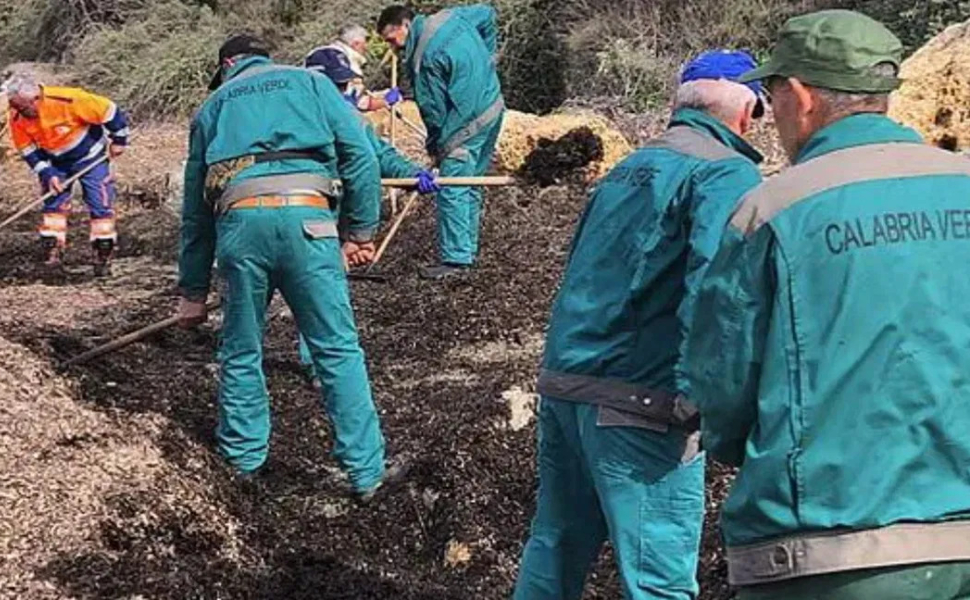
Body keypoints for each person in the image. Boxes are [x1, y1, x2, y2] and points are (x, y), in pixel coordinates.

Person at [686, 10, 970, 600]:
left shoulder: (771, 209)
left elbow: (723, 386)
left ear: (800, 96)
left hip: (829, 548)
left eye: (773, 96)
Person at [513, 50, 765, 600]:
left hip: (565, 383)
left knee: (555, 543)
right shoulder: (726, 171)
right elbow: (716, 287)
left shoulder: (630, 167)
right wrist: (716, 400)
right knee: (658, 579)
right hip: (640, 400)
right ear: (746, 112)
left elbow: (581, 264)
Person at [177, 34, 401, 501]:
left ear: (228, 65)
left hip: (239, 228)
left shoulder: (213, 105)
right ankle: (366, 474)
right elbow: (359, 155)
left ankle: (242, 461)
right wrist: (361, 232)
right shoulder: (312, 84)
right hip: (309, 223)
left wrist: (192, 292)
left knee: (240, 349)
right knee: (337, 350)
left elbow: (195, 208)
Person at [295, 45, 439, 386]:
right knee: (313, 289)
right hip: (304, 211)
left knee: (321, 291)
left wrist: (412, 174)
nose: (343, 93)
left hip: (330, 216)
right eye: (337, 86)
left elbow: (379, 155)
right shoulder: (293, 118)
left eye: (345, 86)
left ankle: (318, 363)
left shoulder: (350, 120)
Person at [378, 4, 504, 280]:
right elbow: (487, 14)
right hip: (493, 106)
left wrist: (436, 147)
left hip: (465, 123)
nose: (393, 48)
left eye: (391, 39)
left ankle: (457, 260)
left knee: (453, 185)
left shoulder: (423, 59)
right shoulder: (450, 17)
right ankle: (468, 250)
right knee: (470, 183)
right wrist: (489, 59)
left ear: (405, 26)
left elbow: (433, 110)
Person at [6, 72, 129, 276]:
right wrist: (48, 173)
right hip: (55, 163)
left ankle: (103, 256)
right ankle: (52, 255)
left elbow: (110, 111)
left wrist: (119, 141)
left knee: (100, 203)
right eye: (14, 106)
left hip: (91, 157)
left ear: (36, 99)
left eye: (21, 107)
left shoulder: (69, 99)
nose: (17, 111)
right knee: (53, 206)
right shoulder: (17, 115)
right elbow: (27, 150)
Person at [304, 24, 403, 113]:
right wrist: (386, 100)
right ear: (356, 44)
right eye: (364, 43)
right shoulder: (346, 60)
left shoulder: (317, 53)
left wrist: (380, 95)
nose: (366, 48)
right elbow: (359, 102)